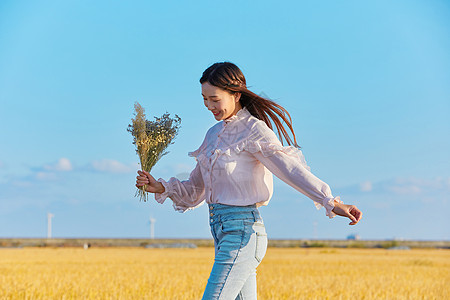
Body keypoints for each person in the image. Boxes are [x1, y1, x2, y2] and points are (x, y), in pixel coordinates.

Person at [135, 61, 362, 300]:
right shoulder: (212, 136)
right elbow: (196, 189)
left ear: (235, 94)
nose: (209, 106)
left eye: (215, 99)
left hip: (243, 232)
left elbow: (291, 170)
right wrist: (161, 187)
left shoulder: (254, 130)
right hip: (221, 232)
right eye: (204, 99)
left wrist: (330, 201)